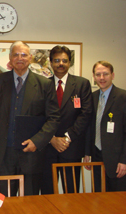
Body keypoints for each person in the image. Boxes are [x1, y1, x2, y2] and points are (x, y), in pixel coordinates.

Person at [0, 41, 60, 196]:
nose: (19, 58)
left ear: (31, 58)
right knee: (2, 200)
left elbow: (53, 118)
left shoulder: (44, 84)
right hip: (4, 154)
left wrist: (38, 141)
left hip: (32, 154)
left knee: (29, 202)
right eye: (15, 54)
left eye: (24, 55)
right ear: (10, 58)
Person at [40, 46, 93, 194]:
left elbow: (86, 114)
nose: (60, 64)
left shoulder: (82, 84)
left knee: (72, 191)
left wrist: (67, 138)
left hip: (72, 148)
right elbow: (38, 115)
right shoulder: (43, 85)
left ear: (70, 63)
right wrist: (51, 138)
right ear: (50, 63)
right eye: (56, 60)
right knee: (47, 192)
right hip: (47, 148)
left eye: (64, 60)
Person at [84, 61, 126, 191]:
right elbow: (89, 127)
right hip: (97, 156)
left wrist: (124, 160)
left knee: (117, 202)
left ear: (112, 75)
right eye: (98, 74)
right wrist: (87, 153)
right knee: (98, 197)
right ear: (94, 77)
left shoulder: (123, 97)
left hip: (117, 160)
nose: (102, 78)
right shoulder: (92, 97)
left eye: (105, 74)